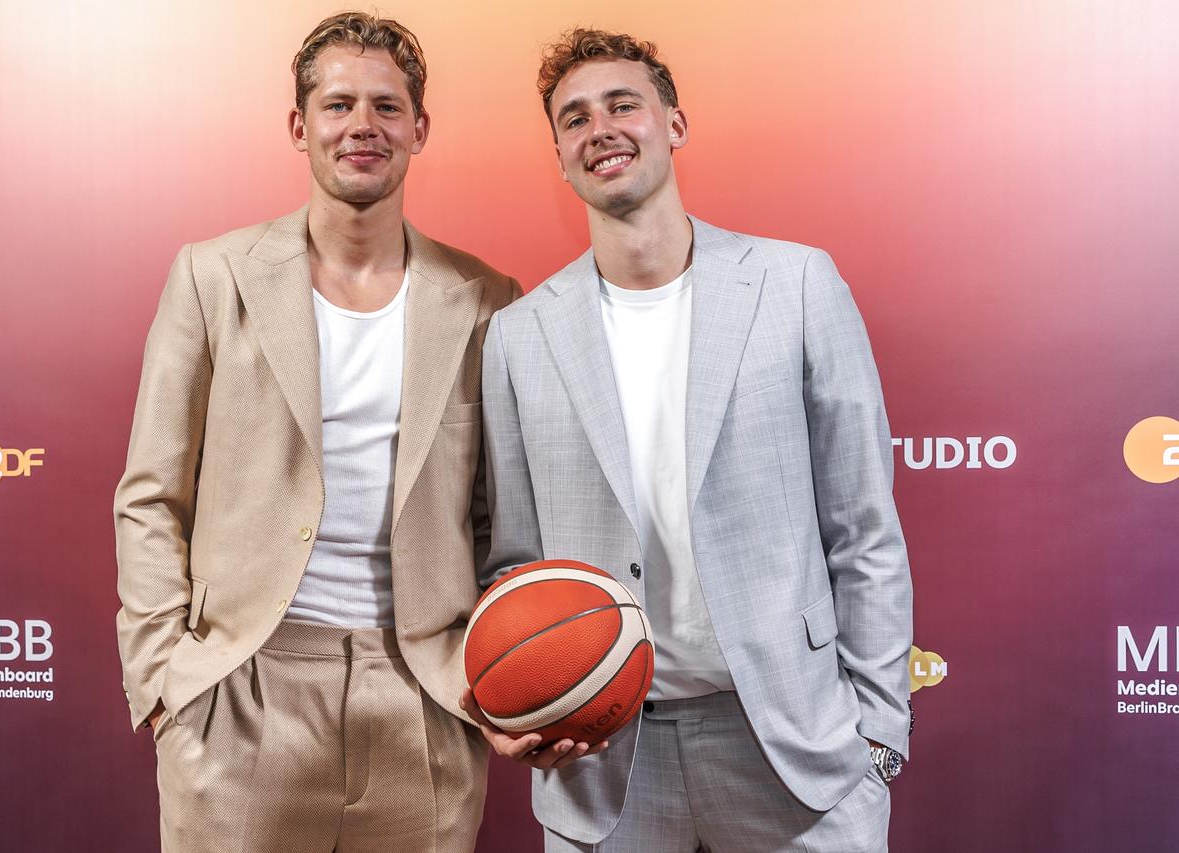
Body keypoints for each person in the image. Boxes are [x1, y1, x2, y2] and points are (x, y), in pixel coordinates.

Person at [465, 29, 912, 852]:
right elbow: (516, 562)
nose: (599, 127)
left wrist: (878, 733)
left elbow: (865, 528)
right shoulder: (519, 336)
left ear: (674, 124)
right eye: (574, 118)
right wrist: (532, 697)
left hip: (795, 745)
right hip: (603, 762)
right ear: (559, 156)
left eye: (622, 104)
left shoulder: (797, 284)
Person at [115, 12, 518, 852]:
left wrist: (483, 678)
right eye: (338, 105)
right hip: (240, 694)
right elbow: (152, 492)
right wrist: (165, 680)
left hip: (424, 697)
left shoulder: (485, 297)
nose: (362, 125)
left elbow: (501, 516)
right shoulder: (212, 274)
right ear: (300, 127)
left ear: (420, 128)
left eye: (385, 106)